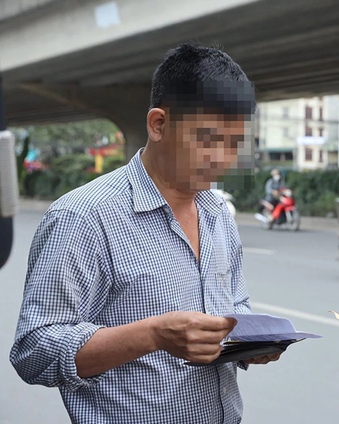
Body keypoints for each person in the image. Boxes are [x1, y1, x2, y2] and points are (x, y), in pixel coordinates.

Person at [10, 43, 277, 424]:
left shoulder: (218, 213)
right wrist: (152, 335)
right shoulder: (84, 216)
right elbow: (33, 351)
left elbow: (235, 306)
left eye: (234, 144)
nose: (222, 158)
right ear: (158, 124)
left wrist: (250, 343)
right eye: (207, 139)